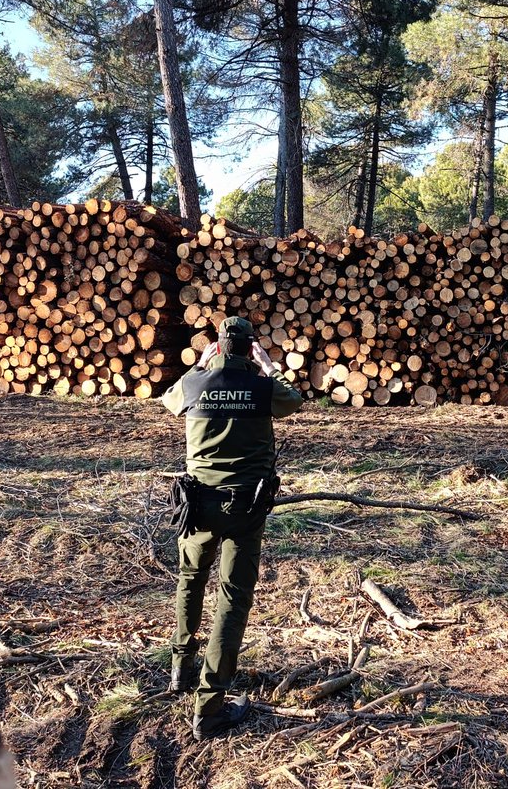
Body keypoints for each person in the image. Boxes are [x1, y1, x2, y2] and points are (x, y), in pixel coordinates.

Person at [161, 316, 303, 741]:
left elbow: (168, 399)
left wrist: (200, 367)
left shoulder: (195, 384)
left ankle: (179, 671)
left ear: (218, 347)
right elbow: (293, 400)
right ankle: (209, 708)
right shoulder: (263, 387)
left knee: (190, 579)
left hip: (197, 505)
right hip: (245, 507)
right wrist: (270, 367)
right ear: (250, 349)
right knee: (233, 598)